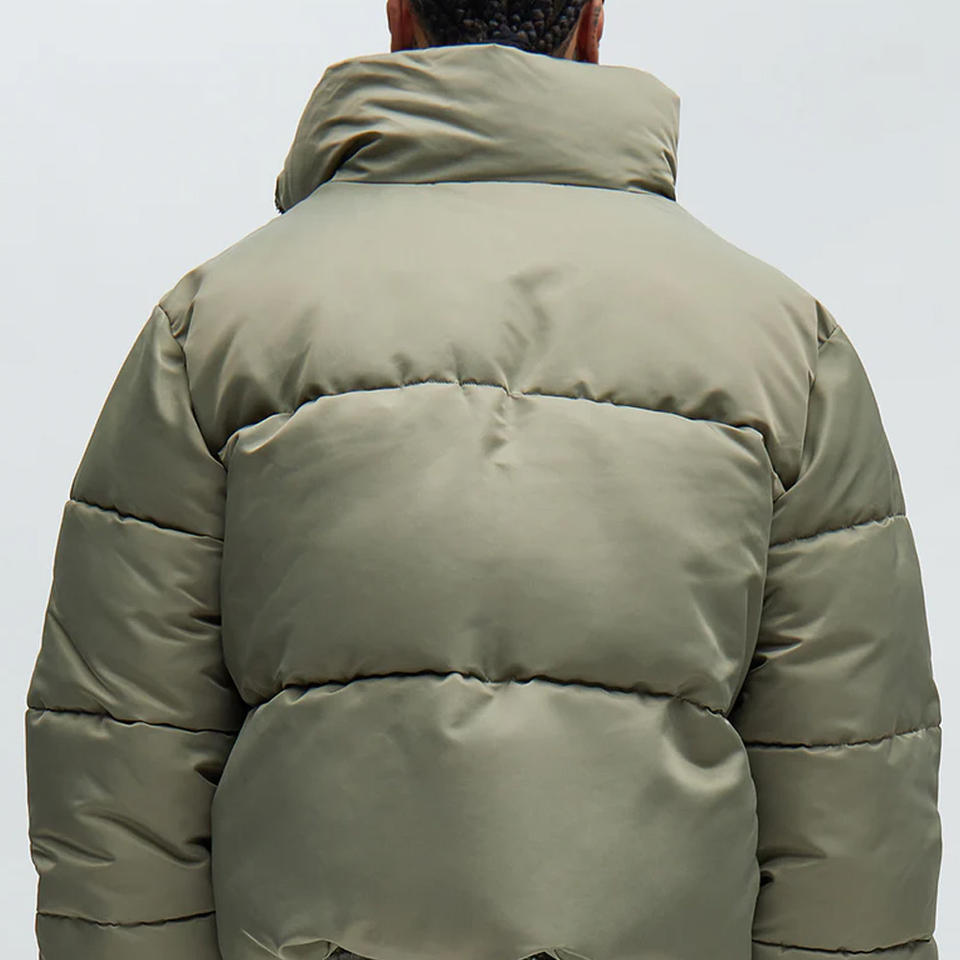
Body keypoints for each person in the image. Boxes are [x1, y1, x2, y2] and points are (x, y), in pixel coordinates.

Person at [24, 2, 943, 959]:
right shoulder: (784, 349)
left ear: (399, 16)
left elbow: (121, 764)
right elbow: (851, 798)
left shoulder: (215, 329)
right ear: (592, 24)